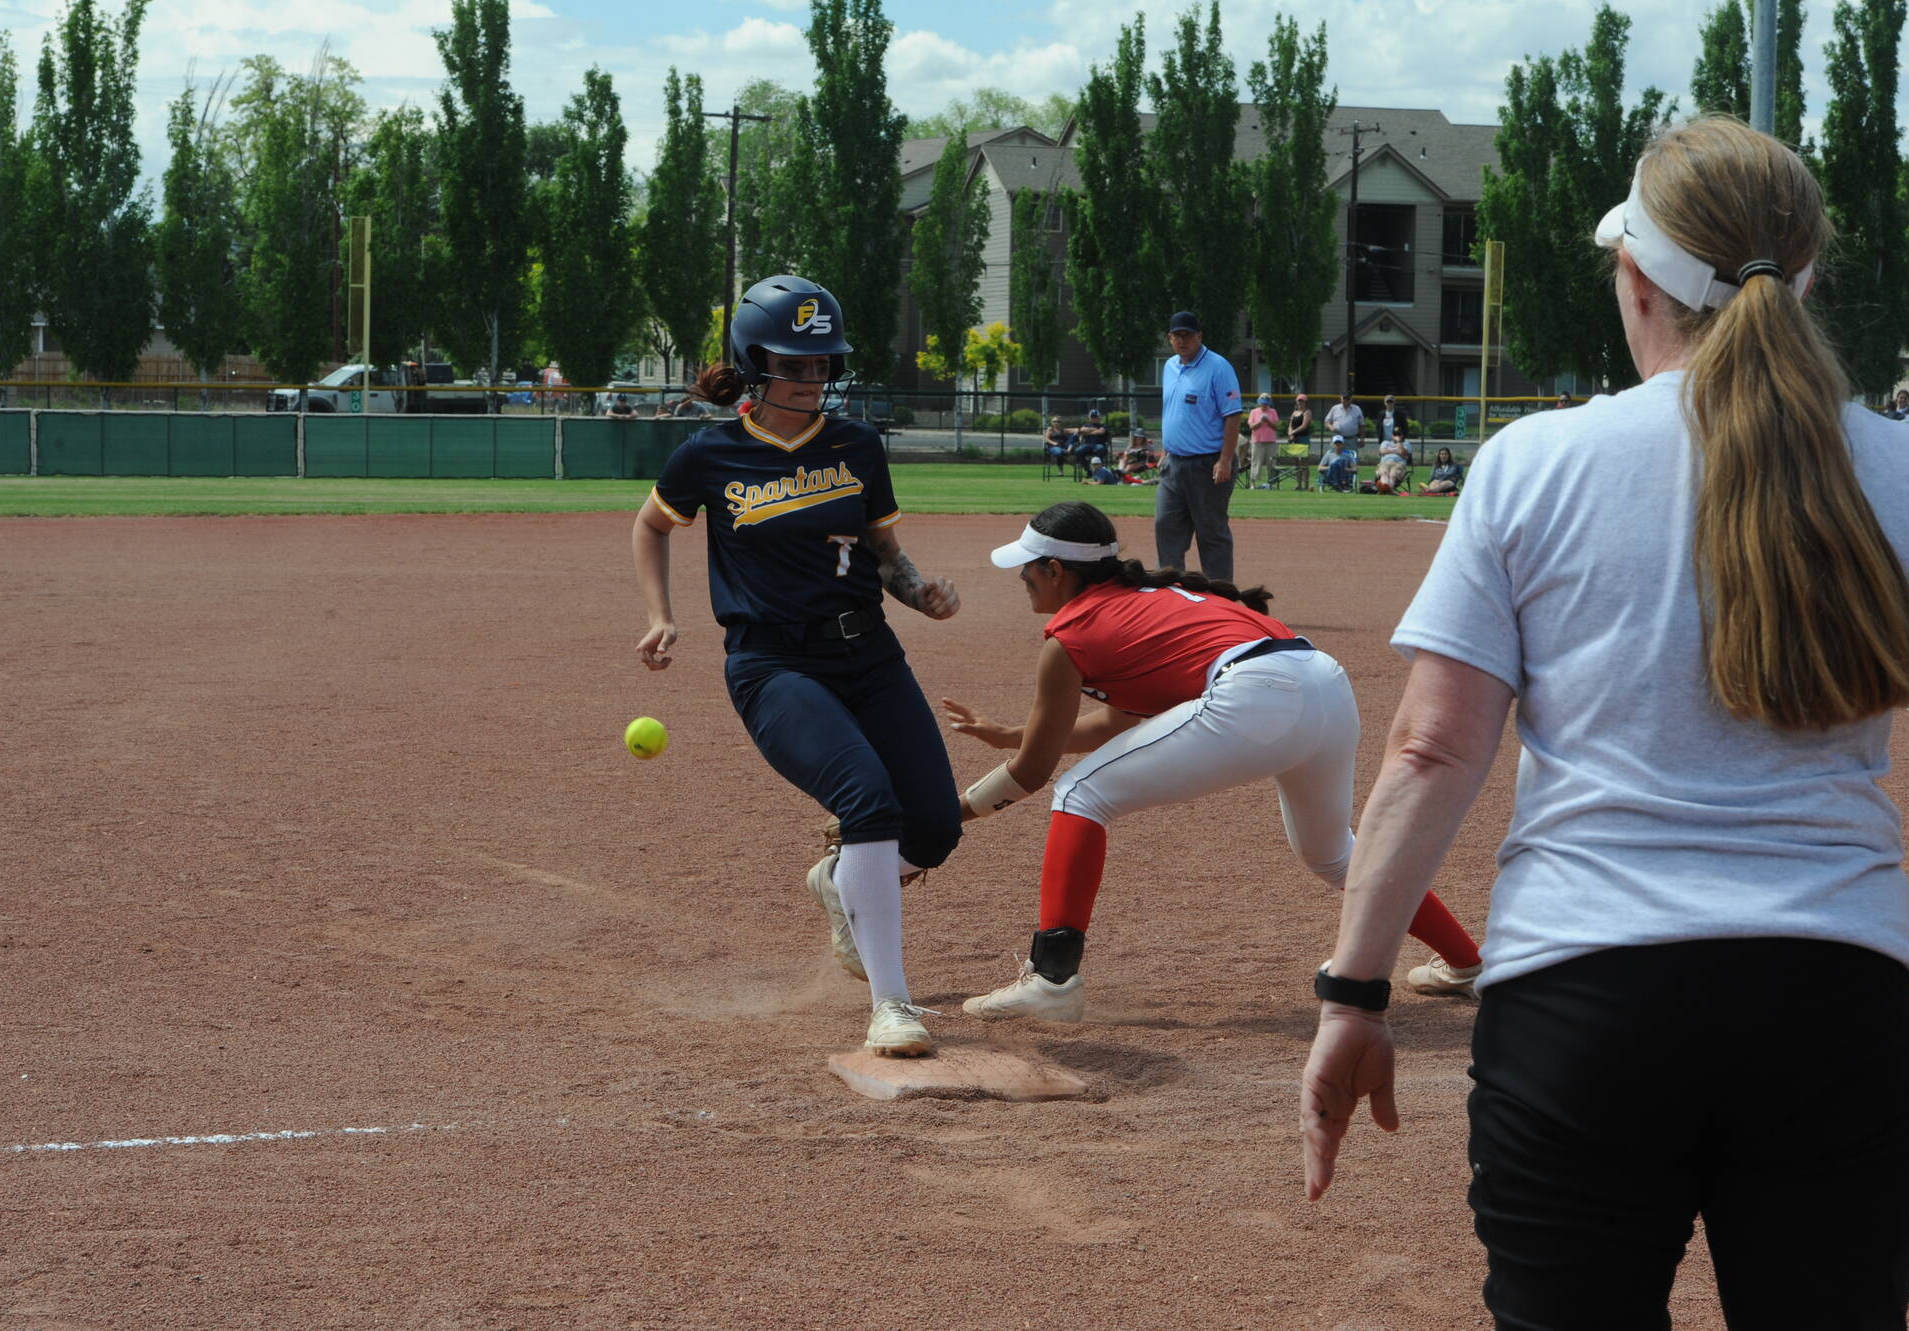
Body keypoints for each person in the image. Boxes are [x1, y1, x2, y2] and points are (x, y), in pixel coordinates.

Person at [1300, 116, 1909, 1327]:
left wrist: (1352, 996)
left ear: (1634, 278)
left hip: (1581, 1004)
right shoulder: (1903, 470)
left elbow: (1431, 749)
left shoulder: (1534, 461)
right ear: (1808, 280)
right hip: (1833, 997)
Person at [939, 501, 1483, 1022]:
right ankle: (1467, 964)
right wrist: (1014, 733)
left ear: (1055, 570)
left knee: (1080, 794)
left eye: (1027, 569)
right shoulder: (1152, 596)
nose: (1022, 579)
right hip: (1324, 682)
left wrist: (945, 817)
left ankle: (1051, 982)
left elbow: (1033, 773)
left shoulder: (1072, 632)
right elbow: (1119, 722)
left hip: (1260, 693)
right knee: (1333, 852)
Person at [631, 274, 964, 1058]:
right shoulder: (710, 453)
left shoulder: (857, 445)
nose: (812, 379)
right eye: (795, 363)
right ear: (754, 362)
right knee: (868, 800)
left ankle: (841, 878)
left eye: (823, 365)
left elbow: (883, 555)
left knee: (937, 826)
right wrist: (660, 614)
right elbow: (650, 526)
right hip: (774, 664)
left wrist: (921, 593)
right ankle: (892, 1004)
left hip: (870, 653)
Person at [1154, 310, 1246, 581]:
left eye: (1187, 335)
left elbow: (1233, 414)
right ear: (1169, 338)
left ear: (1199, 336)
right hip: (1174, 464)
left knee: (1211, 533)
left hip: (1209, 463)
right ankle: (1173, 592)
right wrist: (1167, 450)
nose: (1182, 341)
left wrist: (1226, 459)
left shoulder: (1218, 367)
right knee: (1166, 526)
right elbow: (1175, 412)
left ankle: (1220, 598)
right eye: (1176, 335)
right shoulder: (1170, 366)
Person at [1247, 394, 1280, 489]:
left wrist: (1268, 421)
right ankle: (1252, 483)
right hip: (1257, 442)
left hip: (1271, 442)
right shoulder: (1254, 412)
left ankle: (1272, 483)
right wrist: (1260, 422)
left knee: (1272, 463)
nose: (1264, 406)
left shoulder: (1273, 412)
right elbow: (1252, 427)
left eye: (1266, 404)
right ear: (1259, 403)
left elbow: (1276, 427)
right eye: (1262, 404)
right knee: (1256, 463)